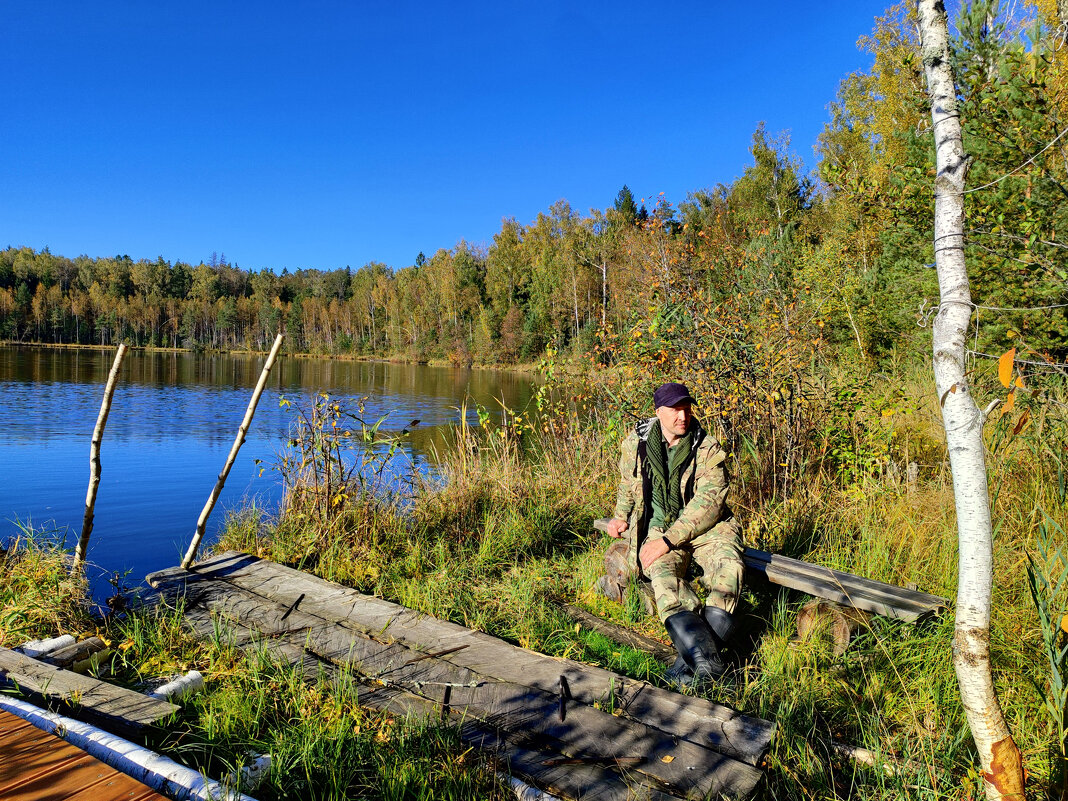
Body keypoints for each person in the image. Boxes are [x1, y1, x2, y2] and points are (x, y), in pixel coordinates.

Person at [603, 382, 744, 684]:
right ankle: (712, 668)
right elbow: (628, 483)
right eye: (675, 409)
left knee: (729, 570)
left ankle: (694, 665)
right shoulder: (637, 442)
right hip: (660, 525)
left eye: (687, 408)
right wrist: (619, 516)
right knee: (664, 578)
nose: (683, 416)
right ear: (658, 412)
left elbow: (711, 502)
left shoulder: (706, 447)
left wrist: (667, 541)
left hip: (708, 527)